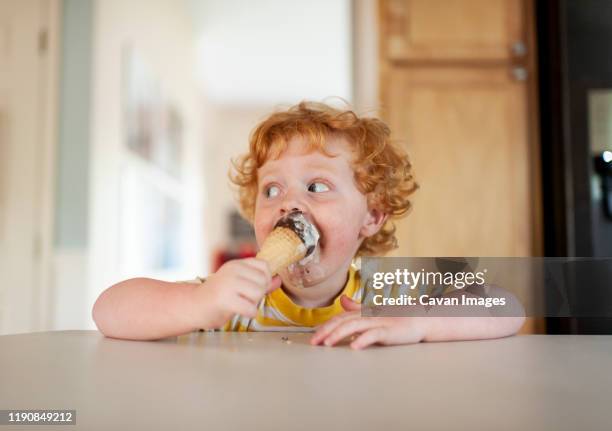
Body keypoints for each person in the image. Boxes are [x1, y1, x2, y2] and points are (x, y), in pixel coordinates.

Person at [92, 101, 525, 348]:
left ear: (371, 217)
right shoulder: (236, 303)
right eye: (272, 191)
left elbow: (506, 306)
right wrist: (200, 303)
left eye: (316, 186)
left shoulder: (389, 296)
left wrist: (418, 323)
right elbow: (108, 310)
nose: (289, 204)